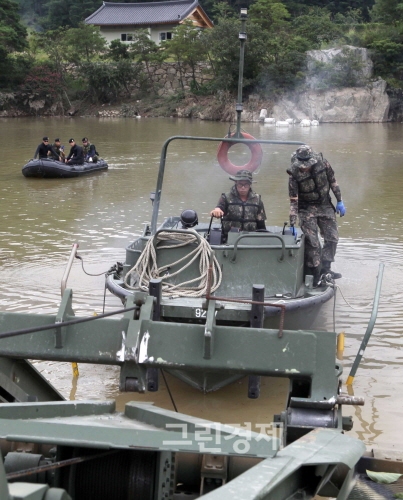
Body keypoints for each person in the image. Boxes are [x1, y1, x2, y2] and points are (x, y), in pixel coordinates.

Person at [287, 144, 346, 287]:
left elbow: (333, 182)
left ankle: (326, 270)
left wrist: (339, 201)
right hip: (306, 208)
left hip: (324, 204)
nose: (304, 167)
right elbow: (293, 200)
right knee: (312, 242)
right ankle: (315, 274)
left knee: (332, 238)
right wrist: (292, 222)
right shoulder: (294, 174)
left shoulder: (323, 164)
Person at [210, 169, 267, 234]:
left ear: (250, 184)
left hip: (251, 237)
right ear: (236, 183)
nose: (243, 188)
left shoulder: (257, 199)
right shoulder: (226, 197)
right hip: (229, 237)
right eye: (240, 184)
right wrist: (217, 210)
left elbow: (261, 223)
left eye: (246, 185)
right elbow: (219, 207)